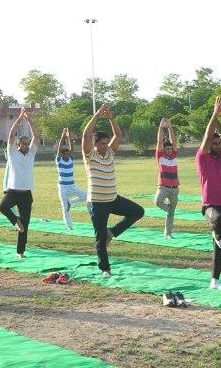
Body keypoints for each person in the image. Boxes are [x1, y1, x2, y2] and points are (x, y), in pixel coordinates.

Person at [82, 104, 144, 276]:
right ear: (94, 144)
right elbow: (86, 134)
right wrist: (96, 115)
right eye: (101, 143)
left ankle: (113, 232)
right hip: (97, 203)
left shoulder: (109, 152)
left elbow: (118, 135)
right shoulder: (89, 155)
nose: (105, 146)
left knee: (138, 211)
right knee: (100, 238)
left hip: (113, 199)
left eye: (105, 143)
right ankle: (105, 269)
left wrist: (110, 118)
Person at [194, 97, 221, 288]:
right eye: (215, 143)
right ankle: (216, 234)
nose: (218, 145)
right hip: (210, 205)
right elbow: (207, 135)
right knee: (218, 222)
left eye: (219, 143)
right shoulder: (202, 157)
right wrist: (214, 114)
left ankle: (214, 280)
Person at [0, 109, 38, 258]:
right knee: (2, 207)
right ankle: (16, 221)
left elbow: (36, 135)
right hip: (13, 192)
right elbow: (10, 134)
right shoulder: (12, 153)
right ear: (19, 144)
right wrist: (19, 118)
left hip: (26, 194)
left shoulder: (31, 153)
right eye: (24, 143)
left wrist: (29, 120)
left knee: (25, 225)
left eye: (28, 143)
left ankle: (20, 252)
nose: (26, 145)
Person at [55, 127, 87, 230]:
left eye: (69, 153)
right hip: (63, 188)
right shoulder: (59, 160)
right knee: (65, 209)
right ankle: (69, 226)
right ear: (62, 154)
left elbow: (72, 148)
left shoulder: (71, 159)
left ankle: (71, 203)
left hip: (73, 186)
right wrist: (62, 136)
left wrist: (69, 137)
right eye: (66, 153)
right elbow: (59, 148)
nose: (68, 155)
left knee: (86, 196)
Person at [153, 118, 180, 238]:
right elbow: (159, 142)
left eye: (170, 148)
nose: (169, 150)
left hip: (175, 188)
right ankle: (169, 210)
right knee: (157, 202)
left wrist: (169, 127)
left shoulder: (174, 154)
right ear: (164, 150)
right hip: (163, 187)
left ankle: (168, 233)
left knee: (171, 213)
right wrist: (161, 127)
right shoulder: (160, 156)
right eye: (167, 149)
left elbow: (173, 140)